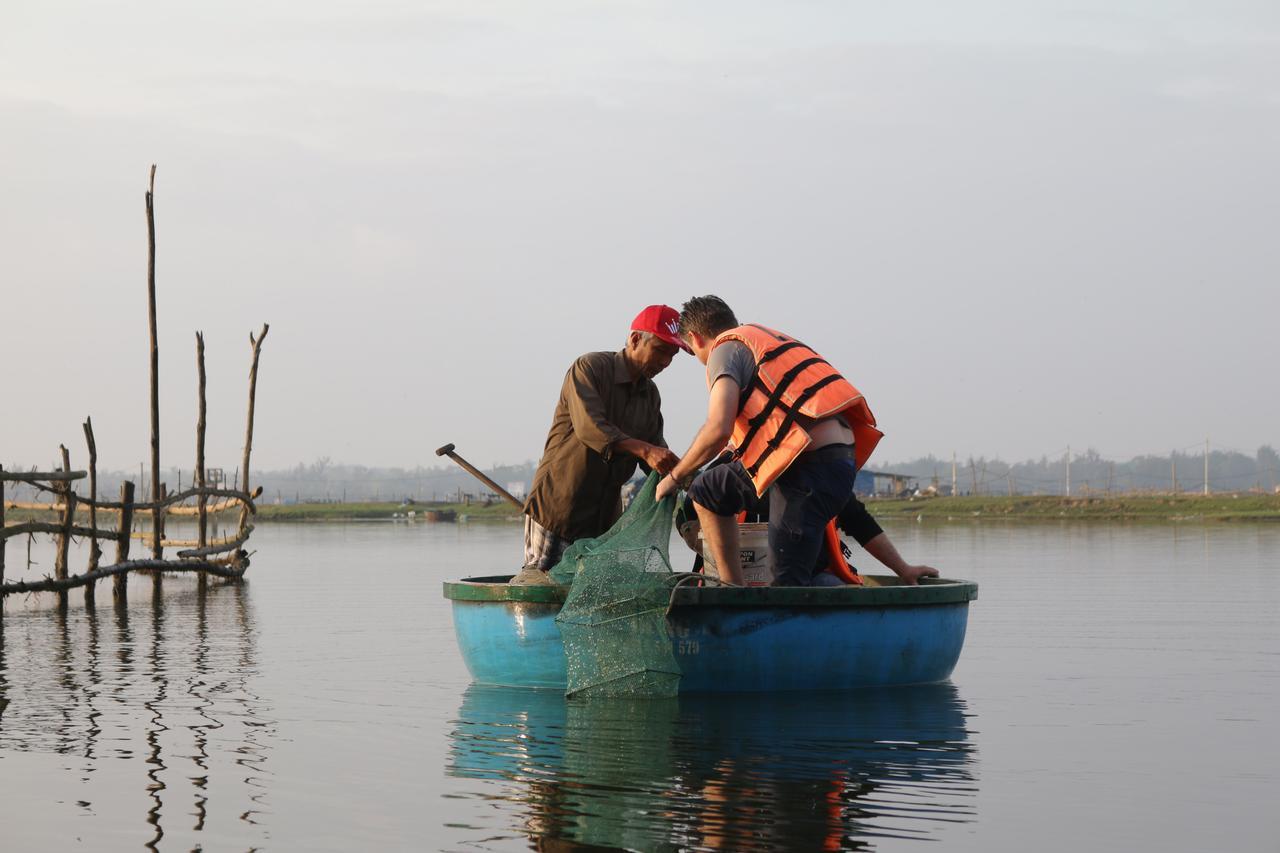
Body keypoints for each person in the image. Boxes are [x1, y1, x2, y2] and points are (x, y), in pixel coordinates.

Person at [656, 295, 938, 586]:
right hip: (827, 459)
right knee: (708, 490)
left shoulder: (724, 349)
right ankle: (733, 590)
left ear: (695, 338)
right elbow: (856, 516)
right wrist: (903, 568)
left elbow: (718, 429)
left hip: (807, 468)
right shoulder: (763, 341)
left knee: (787, 585)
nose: (700, 361)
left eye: (693, 352)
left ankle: (746, 600)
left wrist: (676, 477)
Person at [520, 305, 688, 579]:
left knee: (591, 588)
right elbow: (591, 429)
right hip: (559, 505)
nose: (665, 362)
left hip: (603, 518)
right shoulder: (590, 368)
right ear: (635, 340)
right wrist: (645, 450)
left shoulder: (650, 394)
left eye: (672, 355)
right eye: (660, 350)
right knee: (543, 584)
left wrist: (690, 480)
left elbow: (657, 452)